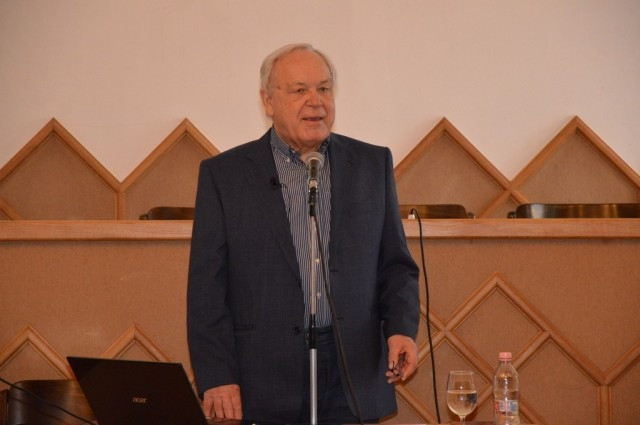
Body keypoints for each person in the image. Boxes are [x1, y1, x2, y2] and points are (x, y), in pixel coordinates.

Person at [187, 43, 420, 424]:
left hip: (352, 370)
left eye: (324, 89)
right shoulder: (224, 175)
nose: (316, 101)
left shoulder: (371, 164)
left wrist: (400, 330)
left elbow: (396, 267)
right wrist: (217, 375)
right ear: (268, 101)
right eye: (299, 90)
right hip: (263, 374)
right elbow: (206, 289)